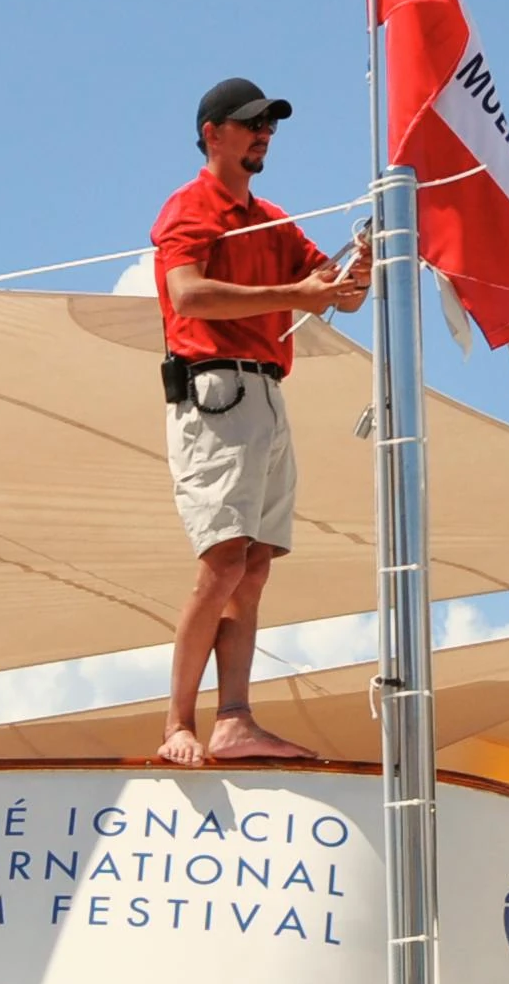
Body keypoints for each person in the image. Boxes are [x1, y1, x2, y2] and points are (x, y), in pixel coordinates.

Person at [151, 77, 373, 768]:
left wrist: (360, 263)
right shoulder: (190, 207)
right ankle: (178, 725)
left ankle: (235, 720)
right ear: (212, 132)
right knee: (221, 564)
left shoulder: (272, 217)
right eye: (250, 124)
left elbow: (343, 296)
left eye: (269, 125)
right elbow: (186, 293)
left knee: (251, 569)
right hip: (214, 393)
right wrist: (296, 293)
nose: (263, 134)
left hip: (267, 395)